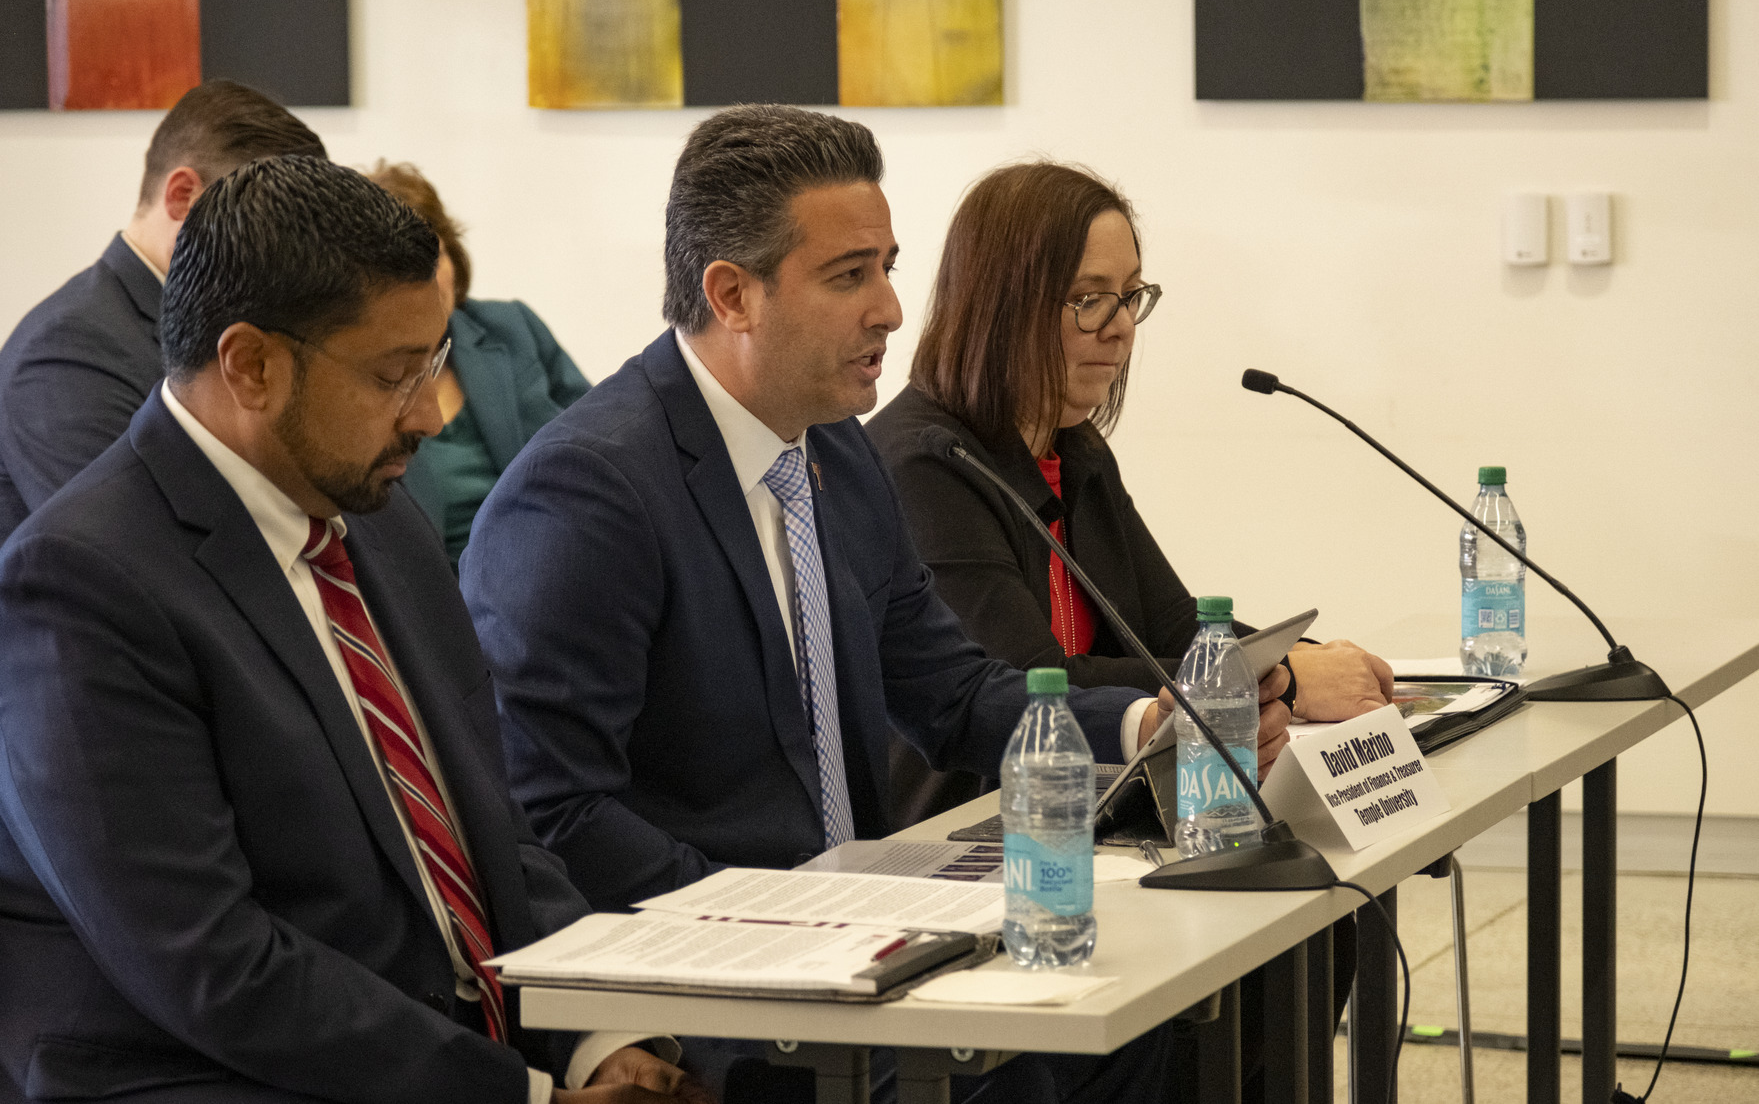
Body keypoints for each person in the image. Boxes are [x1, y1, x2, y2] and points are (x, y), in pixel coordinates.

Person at [463, 105, 1227, 1104]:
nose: (892, 311)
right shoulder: (593, 491)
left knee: (1140, 1010)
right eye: (848, 276)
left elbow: (946, 690)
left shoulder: (834, 449)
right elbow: (550, 809)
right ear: (731, 294)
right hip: (721, 981)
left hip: (855, 934)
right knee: (1054, 1057)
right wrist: (782, 915)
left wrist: (1143, 717)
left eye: (888, 266)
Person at [0, 156, 705, 1104]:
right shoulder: (82, 583)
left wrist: (601, 1037)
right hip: (217, 1073)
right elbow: (215, 967)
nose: (427, 416)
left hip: (435, 1047)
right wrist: (529, 1097)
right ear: (250, 365)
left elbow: (486, 836)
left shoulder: (374, 516)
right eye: (392, 375)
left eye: (435, 364)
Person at [866, 161, 1395, 824]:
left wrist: (1301, 666)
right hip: (974, 827)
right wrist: (1281, 677)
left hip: (1098, 802)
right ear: (1000, 305)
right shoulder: (925, 463)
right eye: (1088, 298)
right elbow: (1030, 680)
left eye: (1130, 295)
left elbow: (1171, 625)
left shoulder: (1074, 448)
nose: (1119, 327)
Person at [0, 79, 327, 543]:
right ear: (182, 196)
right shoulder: (66, 349)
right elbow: (125, 548)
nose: (285, 255)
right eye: (267, 222)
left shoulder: (223, 324)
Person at [363, 161, 590, 568]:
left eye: (435, 257)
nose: (428, 282)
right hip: (432, 594)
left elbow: (603, 445)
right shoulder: (355, 375)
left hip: (555, 568)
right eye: (403, 272)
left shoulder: (512, 327)